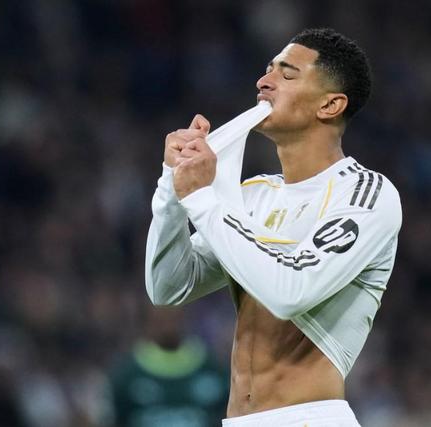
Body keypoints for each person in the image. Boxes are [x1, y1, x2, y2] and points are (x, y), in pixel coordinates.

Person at [145, 28, 402, 426]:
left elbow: (290, 292)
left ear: (330, 104)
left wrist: (202, 199)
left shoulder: (366, 195)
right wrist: (171, 188)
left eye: (287, 73)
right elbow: (169, 286)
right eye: (268, 70)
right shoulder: (255, 196)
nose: (263, 82)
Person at [108, 306, 228, 427]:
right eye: (161, 319)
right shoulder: (127, 374)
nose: (168, 325)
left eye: (173, 317)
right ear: (147, 321)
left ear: (184, 317)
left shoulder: (211, 368)